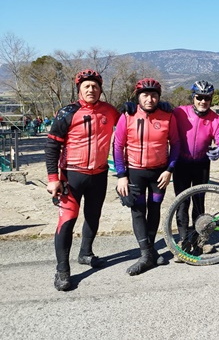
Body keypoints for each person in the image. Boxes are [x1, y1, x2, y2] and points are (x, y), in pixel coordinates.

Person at [45, 69, 120, 291]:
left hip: (99, 174)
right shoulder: (67, 112)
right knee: (67, 221)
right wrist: (53, 179)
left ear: (100, 89)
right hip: (72, 175)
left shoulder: (109, 111)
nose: (91, 89)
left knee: (93, 216)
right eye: (86, 86)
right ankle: (62, 270)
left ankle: (85, 253)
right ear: (79, 89)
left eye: (95, 86)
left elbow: (132, 120)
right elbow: (52, 146)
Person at [114, 78, 180, 276]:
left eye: (154, 95)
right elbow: (118, 146)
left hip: (159, 173)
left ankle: (150, 251)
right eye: (145, 95)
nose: (149, 99)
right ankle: (146, 255)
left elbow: (176, 144)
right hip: (135, 172)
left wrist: (169, 170)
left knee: (155, 209)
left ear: (159, 97)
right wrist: (121, 175)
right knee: (138, 211)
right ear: (138, 97)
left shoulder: (167, 116)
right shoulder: (128, 115)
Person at [172, 80, 219, 260]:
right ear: (193, 97)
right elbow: (162, 116)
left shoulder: (215, 119)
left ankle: (198, 241)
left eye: (207, 98)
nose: (203, 101)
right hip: (181, 164)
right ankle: (183, 241)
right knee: (182, 204)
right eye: (199, 97)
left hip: (201, 165)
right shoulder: (180, 112)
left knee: (199, 203)